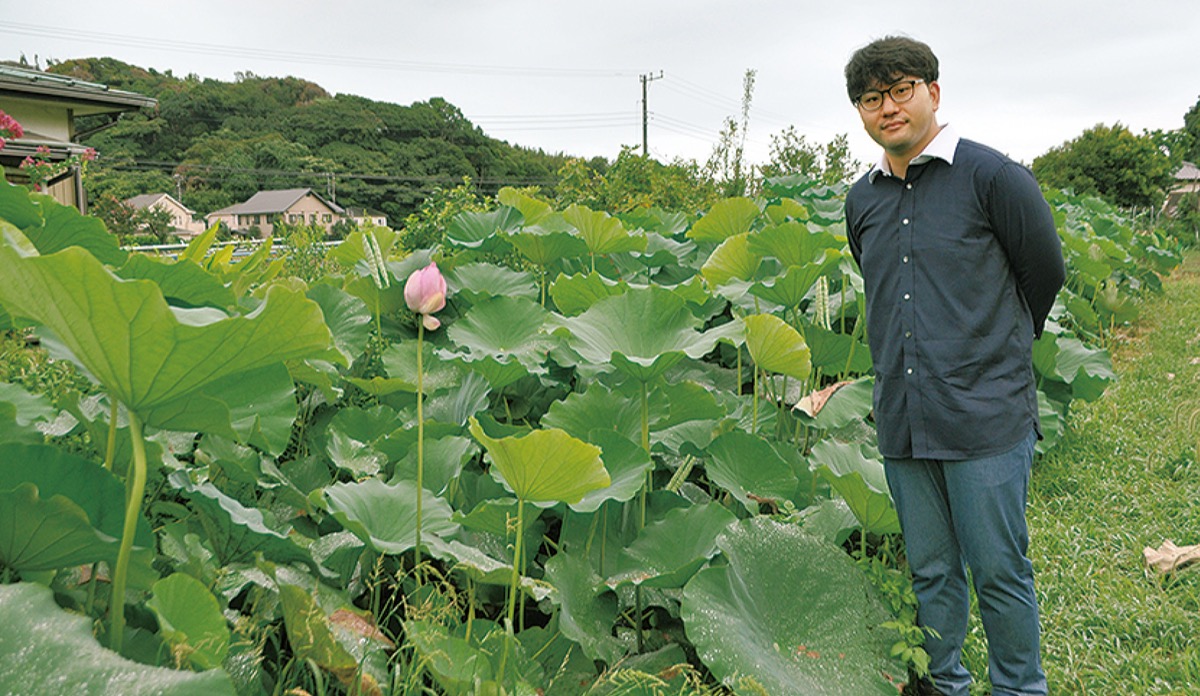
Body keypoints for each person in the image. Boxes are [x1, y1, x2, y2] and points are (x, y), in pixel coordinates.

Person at [842, 36, 1065, 696]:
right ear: (861, 111)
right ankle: (944, 682)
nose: (888, 107)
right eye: (871, 97)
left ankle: (1018, 688)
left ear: (933, 92)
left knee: (998, 570)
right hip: (905, 418)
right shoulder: (863, 201)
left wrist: (991, 356)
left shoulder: (992, 178)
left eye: (902, 89)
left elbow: (1043, 272)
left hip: (985, 414)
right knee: (931, 571)